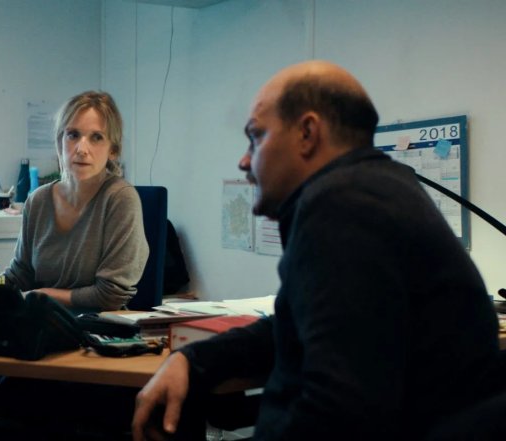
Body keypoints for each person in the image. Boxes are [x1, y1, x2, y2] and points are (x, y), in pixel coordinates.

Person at [132, 61, 502, 441]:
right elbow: (291, 326)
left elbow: (339, 414)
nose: (244, 160)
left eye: (256, 137)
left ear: (307, 133)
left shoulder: (341, 208)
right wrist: (192, 359)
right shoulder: (376, 190)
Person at [0, 90, 149, 313]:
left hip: (96, 330)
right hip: (39, 322)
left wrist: (40, 295)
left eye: (96, 137)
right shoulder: (39, 200)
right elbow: (18, 279)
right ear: (59, 142)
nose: (81, 148)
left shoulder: (120, 199)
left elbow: (111, 295)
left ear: (113, 150)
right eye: (73, 135)